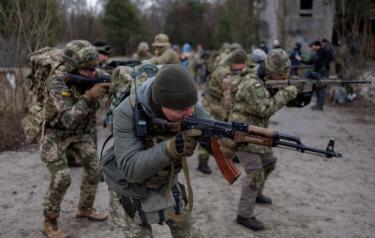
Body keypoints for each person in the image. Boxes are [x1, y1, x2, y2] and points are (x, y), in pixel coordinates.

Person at [101, 65, 236, 237]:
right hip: (128, 188)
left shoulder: (188, 107)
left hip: (166, 182)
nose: (189, 114)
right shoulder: (126, 112)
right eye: (181, 110)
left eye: (191, 106)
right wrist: (171, 148)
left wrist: (225, 144)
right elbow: (130, 170)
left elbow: (212, 135)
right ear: (159, 105)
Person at [40, 40, 109, 238]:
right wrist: (89, 97)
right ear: (73, 67)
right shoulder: (57, 81)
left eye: (94, 67)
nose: (93, 72)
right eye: (87, 69)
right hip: (54, 135)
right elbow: (68, 118)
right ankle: (49, 222)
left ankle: (85, 209)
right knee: (62, 178)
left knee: (95, 169)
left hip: (79, 135)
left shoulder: (94, 76)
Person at [229, 49, 300, 231]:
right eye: (281, 73)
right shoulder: (253, 82)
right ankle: (244, 215)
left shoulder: (263, 76)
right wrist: (288, 92)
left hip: (256, 130)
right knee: (255, 171)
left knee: (269, 162)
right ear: (272, 69)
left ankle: (256, 193)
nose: (284, 76)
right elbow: (265, 108)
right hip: (242, 132)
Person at [303, 40, 332, 110]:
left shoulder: (322, 51)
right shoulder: (320, 51)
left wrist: (319, 70)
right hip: (321, 72)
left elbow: (320, 61)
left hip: (323, 72)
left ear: (317, 46)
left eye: (313, 46)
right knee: (319, 89)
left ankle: (319, 106)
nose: (312, 47)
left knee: (321, 89)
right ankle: (318, 105)